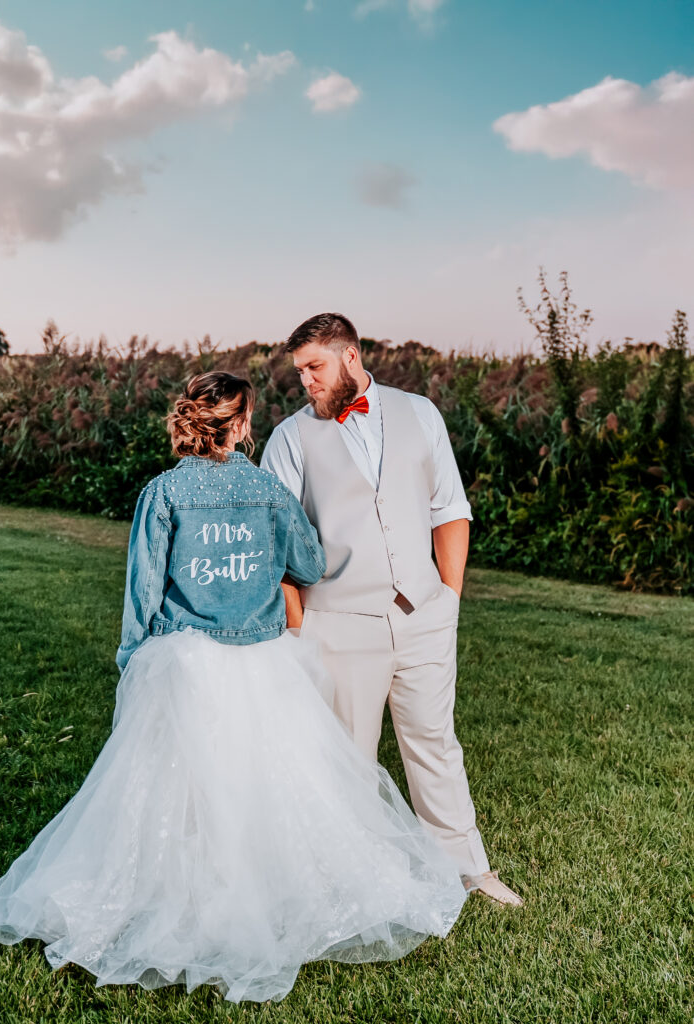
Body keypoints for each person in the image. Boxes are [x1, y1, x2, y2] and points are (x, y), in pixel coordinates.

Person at [0, 371, 467, 1004]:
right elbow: (311, 563)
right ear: (241, 426)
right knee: (265, 782)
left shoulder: (163, 493)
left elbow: (142, 592)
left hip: (184, 660)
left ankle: (177, 897)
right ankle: (264, 895)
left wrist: (132, 659)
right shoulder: (265, 491)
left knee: (172, 789)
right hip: (261, 662)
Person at [261, 314, 523, 907]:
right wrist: (300, 632)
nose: (305, 382)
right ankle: (342, 881)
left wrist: (448, 600)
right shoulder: (289, 439)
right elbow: (274, 548)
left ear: (350, 356)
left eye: (315, 367)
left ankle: (468, 870)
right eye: (299, 371)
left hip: (425, 614)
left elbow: (449, 507)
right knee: (347, 755)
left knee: (435, 741)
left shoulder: (419, 412)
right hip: (337, 622)